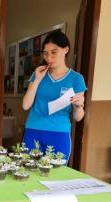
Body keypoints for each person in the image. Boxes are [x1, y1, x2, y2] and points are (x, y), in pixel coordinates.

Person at [22, 31, 86, 160]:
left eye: (54, 52)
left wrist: (79, 106)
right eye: (46, 53)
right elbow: (25, 105)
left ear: (66, 49)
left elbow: (78, 118)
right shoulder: (38, 74)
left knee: (57, 175)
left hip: (59, 132)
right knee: (30, 171)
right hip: (33, 129)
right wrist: (38, 79)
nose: (49, 57)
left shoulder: (76, 79)